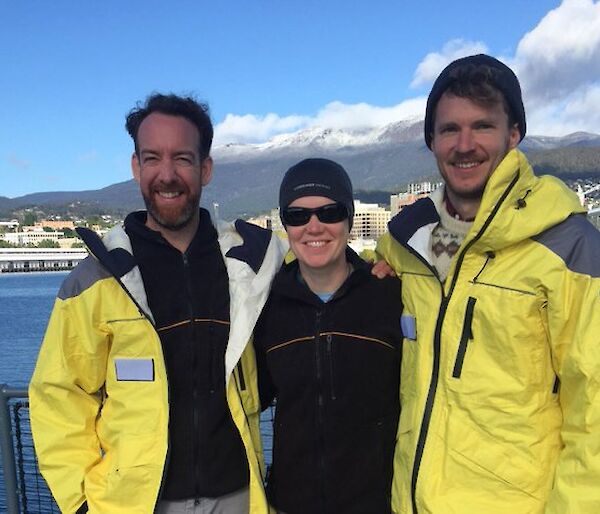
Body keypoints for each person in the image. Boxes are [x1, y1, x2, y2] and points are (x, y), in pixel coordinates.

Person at [29, 93, 288, 514]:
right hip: (136, 504)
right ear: (136, 167)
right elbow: (59, 394)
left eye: (182, 158)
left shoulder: (251, 262)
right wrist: (79, 502)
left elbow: (324, 267)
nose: (166, 174)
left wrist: (379, 267)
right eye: (152, 158)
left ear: (205, 168)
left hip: (239, 496)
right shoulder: (95, 278)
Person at [377, 54, 600, 514]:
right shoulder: (410, 241)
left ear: (513, 134)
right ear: (431, 141)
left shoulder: (568, 246)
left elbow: (593, 414)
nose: (465, 144)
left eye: (482, 126)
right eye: (449, 130)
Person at [254, 158, 403, 514]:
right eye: (297, 216)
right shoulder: (266, 307)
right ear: (285, 224)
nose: (314, 226)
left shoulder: (391, 297)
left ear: (349, 219)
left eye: (329, 212)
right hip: (291, 503)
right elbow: (245, 399)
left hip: (379, 504)